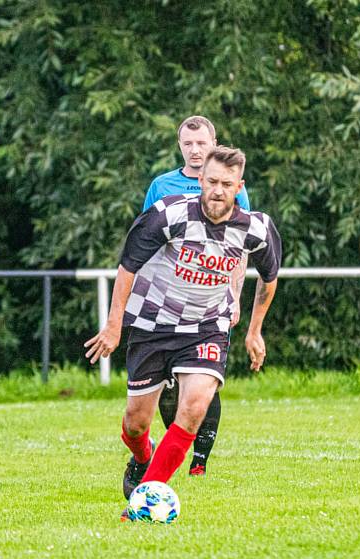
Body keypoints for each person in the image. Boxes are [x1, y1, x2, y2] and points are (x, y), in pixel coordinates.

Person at [83, 146, 281, 518]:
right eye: (211, 182)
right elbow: (128, 267)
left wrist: (255, 332)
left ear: (240, 186)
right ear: (200, 180)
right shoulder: (168, 215)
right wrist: (114, 324)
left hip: (207, 327)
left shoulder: (256, 228)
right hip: (152, 325)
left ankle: (142, 502)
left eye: (226, 183)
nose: (217, 190)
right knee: (135, 423)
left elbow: (268, 279)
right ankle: (143, 455)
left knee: (192, 408)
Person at [138, 115, 250, 481]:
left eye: (202, 143)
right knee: (167, 390)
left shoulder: (230, 186)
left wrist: (234, 295)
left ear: (213, 144)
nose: (195, 149)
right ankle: (162, 452)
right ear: (180, 146)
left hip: (211, 302)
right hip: (166, 304)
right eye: (188, 144)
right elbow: (145, 241)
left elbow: (242, 244)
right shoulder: (162, 185)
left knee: (203, 381)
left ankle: (200, 459)